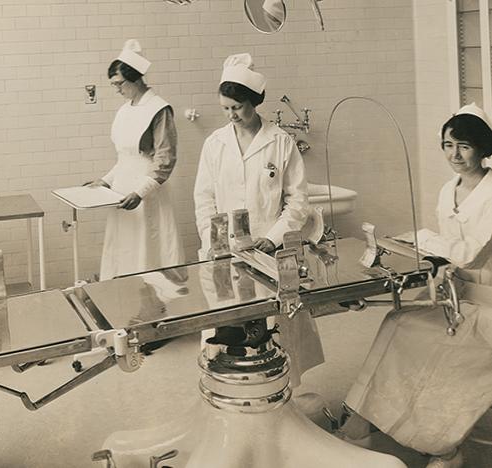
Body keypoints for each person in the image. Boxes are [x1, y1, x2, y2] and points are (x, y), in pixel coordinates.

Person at [338, 103, 492, 468]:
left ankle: (444, 447)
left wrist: (420, 238)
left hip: (487, 298)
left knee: (442, 351)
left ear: (483, 148)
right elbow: (446, 253)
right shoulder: (446, 190)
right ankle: (364, 415)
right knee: (398, 323)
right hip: (455, 291)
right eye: (447, 145)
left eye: (464, 146)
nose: (454, 155)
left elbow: (470, 254)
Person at [193, 53, 322, 387]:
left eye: (237, 107)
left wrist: (274, 237)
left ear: (254, 102)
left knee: (277, 332)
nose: (231, 115)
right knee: (227, 330)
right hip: (224, 251)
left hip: (268, 251)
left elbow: (298, 200)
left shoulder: (280, 143)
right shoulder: (215, 144)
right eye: (225, 108)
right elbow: (203, 197)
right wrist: (212, 240)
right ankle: (230, 392)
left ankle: (283, 392)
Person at [89, 39, 184, 281]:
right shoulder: (124, 110)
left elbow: (165, 161)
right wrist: (104, 181)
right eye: (114, 85)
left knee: (148, 255)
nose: (117, 89)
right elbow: (125, 158)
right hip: (122, 194)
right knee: (123, 255)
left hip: (146, 195)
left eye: (120, 83)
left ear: (135, 78)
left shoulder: (159, 109)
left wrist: (140, 193)